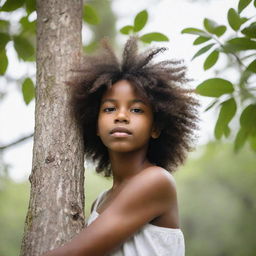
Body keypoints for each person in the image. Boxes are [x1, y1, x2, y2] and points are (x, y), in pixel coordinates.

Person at [43, 36, 199, 256]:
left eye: (136, 110)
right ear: (95, 125)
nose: (121, 116)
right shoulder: (100, 202)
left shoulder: (155, 181)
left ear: (156, 128)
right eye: (109, 109)